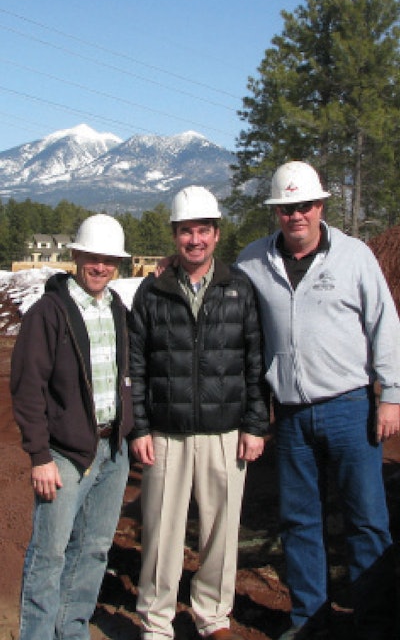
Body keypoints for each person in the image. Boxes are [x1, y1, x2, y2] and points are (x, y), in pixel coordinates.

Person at [237, 160, 400, 640]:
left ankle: (376, 623)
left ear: (321, 205)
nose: (296, 215)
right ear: (276, 213)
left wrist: (391, 394)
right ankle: (310, 620)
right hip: (288, 416)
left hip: (350, 407)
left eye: (304, 205)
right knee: (298, 520)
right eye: (286, 208)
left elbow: (384, 324)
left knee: (367, 521)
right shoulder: (252, 262)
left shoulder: (354, 256)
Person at [129, 184, 269, 640]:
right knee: (161, 533)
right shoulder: (151, 294)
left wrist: (254, 423)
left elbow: (254, 360)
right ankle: (156, 620)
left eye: (203, 230)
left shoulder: (239, 288)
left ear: (216, 234)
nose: (195, 240)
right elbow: (136, 364)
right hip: (165, 432)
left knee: (220, 533)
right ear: (174, 235)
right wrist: (140, 427)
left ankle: (213, 616)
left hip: (225, 432)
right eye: (186, 231)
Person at [10, 213, 134, 640]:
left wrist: (128, 429)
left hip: (111, 451)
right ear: (76, 256)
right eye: (92, 257)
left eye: (108, 259)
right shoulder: (49, 312)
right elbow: (28, 387)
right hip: (63, 455)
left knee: (94, 550)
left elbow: (125, 375)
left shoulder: (117, 308)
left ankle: (73, 630)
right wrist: (39, 455)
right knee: (50, 554)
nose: (100, 266)